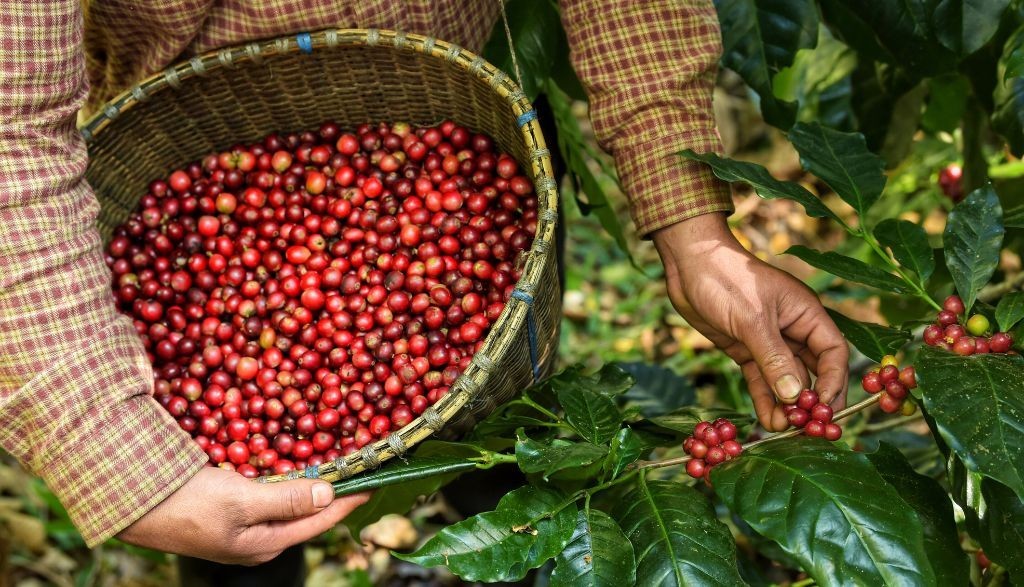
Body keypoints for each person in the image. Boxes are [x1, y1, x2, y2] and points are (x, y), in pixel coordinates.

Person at [0, 0, 849, 566]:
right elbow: (10, 125)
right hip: (181, 112)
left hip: (457, 85)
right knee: (236, 527)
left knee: (516, 444)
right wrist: (110, 447)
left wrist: (693, 228)